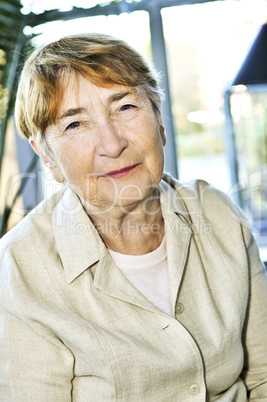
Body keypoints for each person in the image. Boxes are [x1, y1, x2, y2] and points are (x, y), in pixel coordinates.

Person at [0, 33, 267, 401]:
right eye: (75, 124)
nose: (112, 144)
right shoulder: (18, 267)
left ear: (158, 117)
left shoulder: (219, 214)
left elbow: (264, 377)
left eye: (125, 107)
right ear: (46, 155)